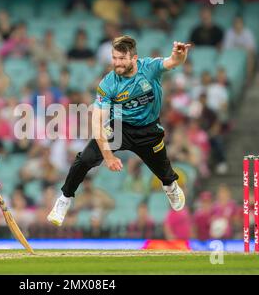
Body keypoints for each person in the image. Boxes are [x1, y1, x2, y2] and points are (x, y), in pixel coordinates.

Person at [47, 35, 190, 226]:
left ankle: (171, 186)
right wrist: (108, 156)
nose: (117, 63)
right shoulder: (108, 83)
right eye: (114, 58)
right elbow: (97, 122)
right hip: (119, 128)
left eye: (122, 58)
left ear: (134, 58)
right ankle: (64, 200)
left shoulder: (149, 68)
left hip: (148, 130)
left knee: (164, 172)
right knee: (85, 159)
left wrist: (179, 55)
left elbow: (173, 61)